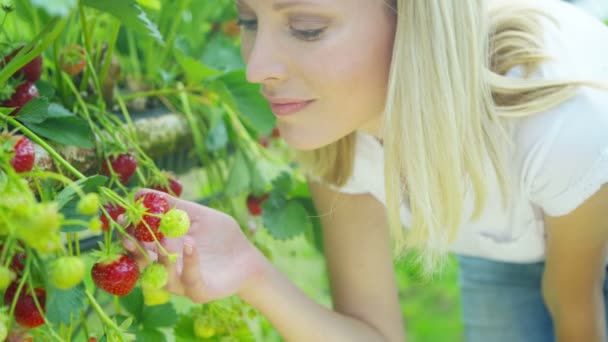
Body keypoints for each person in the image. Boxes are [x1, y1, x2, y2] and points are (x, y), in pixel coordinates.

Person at [123, 0, 608, 341]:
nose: (256, 69)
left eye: (307, 28)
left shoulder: (557, 126)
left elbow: (576, 306)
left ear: (413, 20)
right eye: (249, 20)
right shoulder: (338, 133)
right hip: (515, 244)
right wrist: (252, 272)